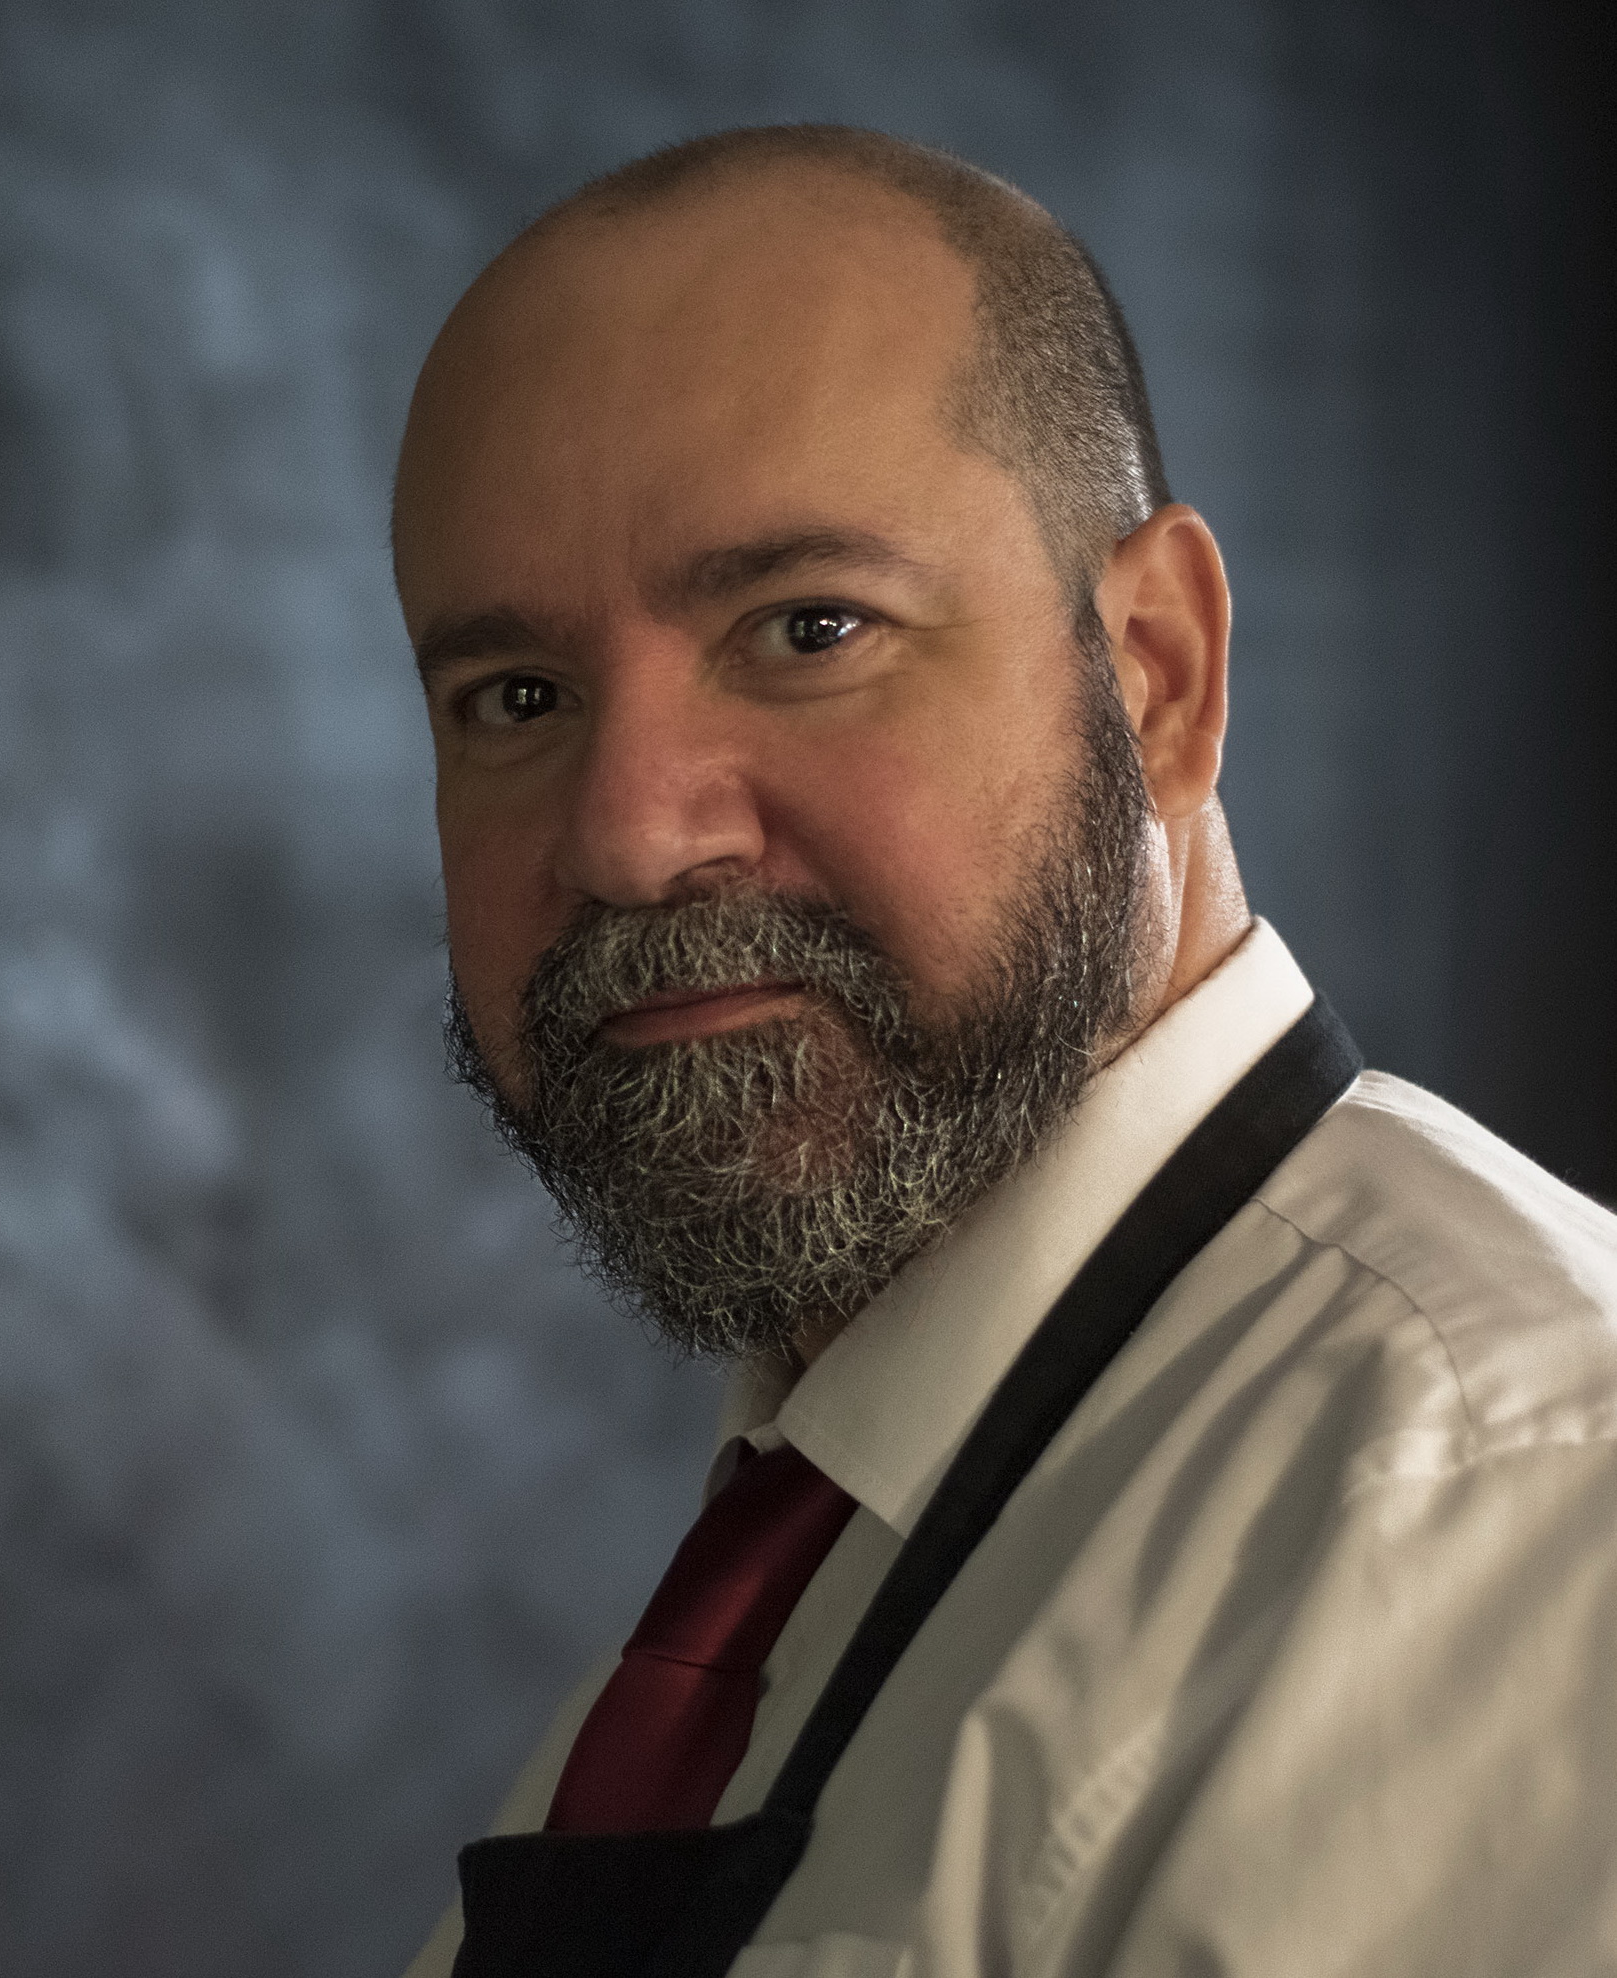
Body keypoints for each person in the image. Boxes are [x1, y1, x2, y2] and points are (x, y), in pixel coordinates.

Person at [389, 125, 1617, 1978]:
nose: (629, 833)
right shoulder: (792, 1571)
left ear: (1156, 673)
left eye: (808, 628)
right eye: (518, 696)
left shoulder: (1504, 1508)